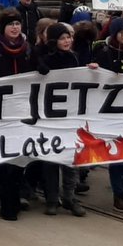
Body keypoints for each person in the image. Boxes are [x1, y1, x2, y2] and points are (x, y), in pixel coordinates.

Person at [0, 10, 38, 220]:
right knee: (4, 159)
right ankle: (7, 203)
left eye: (18, 24)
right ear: (3, 28)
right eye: (11, 24)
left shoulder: (29, 49)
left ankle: (14, 197)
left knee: (19, 159)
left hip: (23, 110)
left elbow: (42, 69)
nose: (15, 27)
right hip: (0, 112)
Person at [35, 24, 88, 217]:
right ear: (54, 40)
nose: (67, 41)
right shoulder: (46, 59)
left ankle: (69, 196)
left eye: (69, 38)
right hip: (50, 115)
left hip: (71, 114)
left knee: (71, 158)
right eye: (63, 38)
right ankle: (51, 198)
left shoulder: (74, 57)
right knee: (51, 158)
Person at [93, 18, 123, 213]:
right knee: (117, 152)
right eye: (120, 31)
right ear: (113, 34)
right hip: (110, 111)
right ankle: (119, 192)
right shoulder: (103, 52)